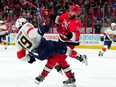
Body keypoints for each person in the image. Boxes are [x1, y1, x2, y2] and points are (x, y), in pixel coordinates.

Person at [15, 17, 87, 85]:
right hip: (44, 46)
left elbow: (21, 57)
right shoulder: (25, 26)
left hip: (38, 55)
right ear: (23, 23)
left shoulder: (16, 40)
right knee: (64, 48)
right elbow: (31, 34)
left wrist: (29, 58)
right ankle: (80, 57)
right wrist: (40, 30)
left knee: (53, 58)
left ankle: (49, 72)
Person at [49, 3, 87, 80]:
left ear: (76, 14)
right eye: (70, 10)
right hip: (61, 39)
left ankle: (80, 57)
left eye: (73, 11)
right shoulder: (66, 14)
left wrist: (66, 32)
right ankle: (70, 77)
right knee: (55, 55)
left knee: (61, 58)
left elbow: (74, 37)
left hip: (70, 41)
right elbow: (58, 19)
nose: (70, 12)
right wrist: (48, 14)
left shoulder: (77, 22)